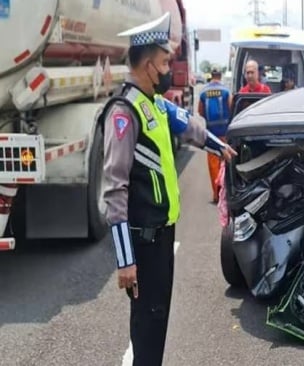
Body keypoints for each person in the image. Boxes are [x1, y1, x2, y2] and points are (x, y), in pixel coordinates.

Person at [101, 12, 237, 365]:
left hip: (161, 237)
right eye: (164, 63)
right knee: (146, 328)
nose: (167, 71)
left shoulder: (155, 104)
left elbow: (189, 126)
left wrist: (219, 146)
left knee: (156, 321)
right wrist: (125, 259)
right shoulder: (124, 112)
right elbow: (114, 188)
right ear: (148, 65)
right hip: (143, 244)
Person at [198, 69, 232, 204]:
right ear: (220, 76)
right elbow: (231, 108)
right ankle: (226, 193)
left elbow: (199, 111)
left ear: (211, 76)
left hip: (211, 134)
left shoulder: (203, 92)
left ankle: (216, 195)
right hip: (225, 133)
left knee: (213, 165)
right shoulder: (226, 91)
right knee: (225, 162)